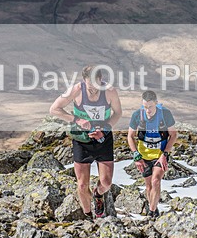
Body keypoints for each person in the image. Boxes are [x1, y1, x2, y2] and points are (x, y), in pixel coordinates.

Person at [50, 65, 122, 219]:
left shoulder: (109, 91)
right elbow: (54, 109)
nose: (93, 89)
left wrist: (105, 128)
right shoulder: (76, 90)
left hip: (103, 138)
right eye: (89, 85)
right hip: (82, 139)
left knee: (106, 183)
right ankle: (88, 215)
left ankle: (97, 194)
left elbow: (118, 113)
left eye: (96, 84)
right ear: (84, 80)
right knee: (82, 184)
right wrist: (77, 120)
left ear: (101, 79)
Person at [127, 90, 177, 219]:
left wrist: (165, 154)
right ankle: (154, 208)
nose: (148, 110)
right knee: (148, 185)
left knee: (156, 181)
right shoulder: (137, 115)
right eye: (145, 107)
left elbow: (173, 135)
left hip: (160, 154)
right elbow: (130, 136)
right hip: (143, 156)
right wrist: (136, 155)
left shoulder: (165, 114)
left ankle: (151, 212)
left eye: (150, 107)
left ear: (156, 103)